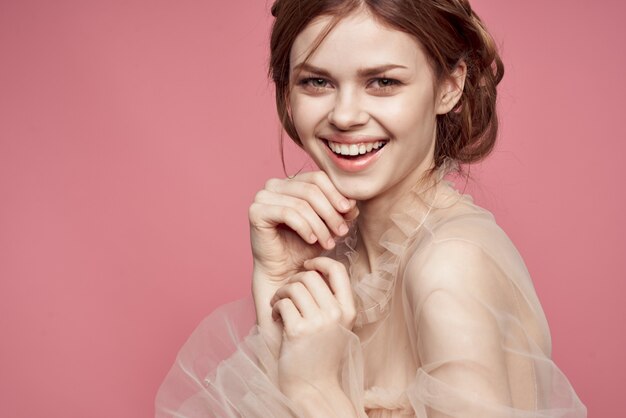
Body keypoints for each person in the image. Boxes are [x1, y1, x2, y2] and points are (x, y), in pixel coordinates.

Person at [156, 0, 587, 416]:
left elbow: (306, 395)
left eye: (383, 82)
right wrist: (275, 284)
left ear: (450, 86)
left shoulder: (449, 266)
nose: (345, 115)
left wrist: (315, 392)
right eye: (316, 82)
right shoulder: (340, 259)